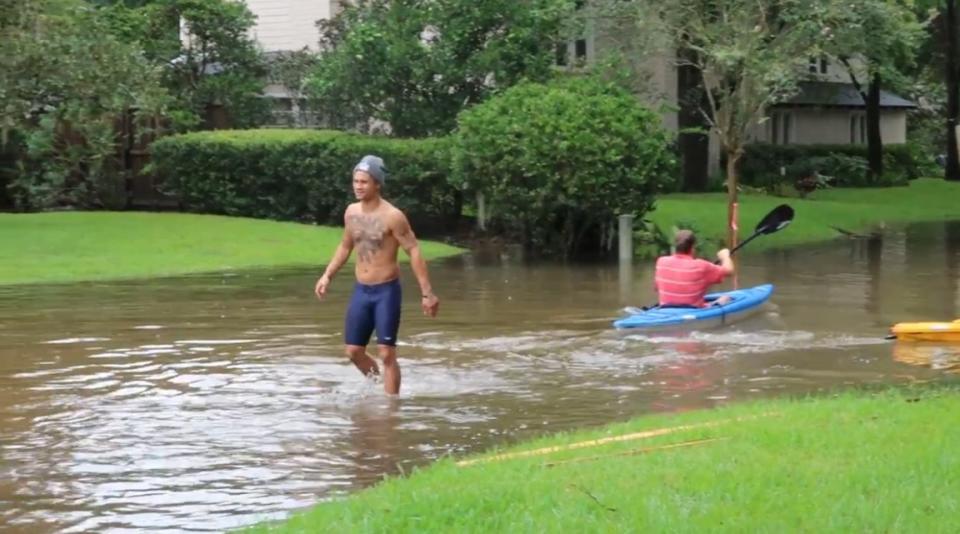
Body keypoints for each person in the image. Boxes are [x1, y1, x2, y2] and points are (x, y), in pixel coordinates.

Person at [314, 155, 440, 395]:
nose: (358, 186)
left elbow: (413, 249)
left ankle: (391, 409)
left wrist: (427, 293)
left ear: (377, 184)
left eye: (364, 182)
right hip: (362, 290)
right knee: (353, 351)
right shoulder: (351, 212)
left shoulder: (393, 216)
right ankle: (376, 385)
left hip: (386, 290)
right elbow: (345, 246)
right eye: (355, 181)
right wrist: (327, 275)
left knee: (386, 352)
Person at [654, 229, 734, 308]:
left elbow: (657, 288)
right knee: (726, 298)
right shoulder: (702, 266)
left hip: (665, 309)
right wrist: (725, 256)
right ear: (692, 248)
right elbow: (729, 271)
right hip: (693, 310)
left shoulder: (661, 262)